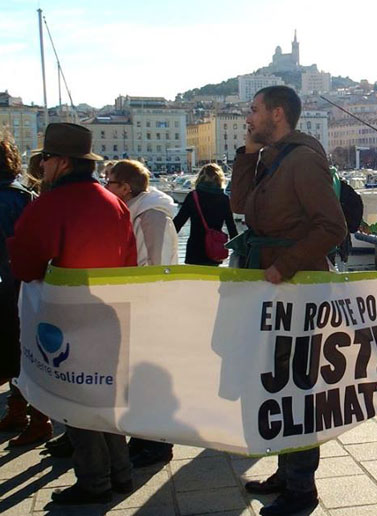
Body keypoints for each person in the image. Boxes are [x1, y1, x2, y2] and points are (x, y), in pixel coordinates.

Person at [230, 86, 346, 516]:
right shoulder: (271, 158)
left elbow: (331, 226)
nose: (248, 117)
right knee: (276, 386)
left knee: (296, 389)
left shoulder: (303, 160)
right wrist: (247, 152)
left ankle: (302, 490)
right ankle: (285, 473)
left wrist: (287, 264)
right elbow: (240, 204)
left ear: (277, 114)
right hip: (275, 293)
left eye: (254, 111)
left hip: (297, 293)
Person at [8, 122, 137, 505]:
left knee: (75, 400)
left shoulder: (49, 204)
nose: (42, 166)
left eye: (45, 159)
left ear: (61, 162)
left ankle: (95, 481)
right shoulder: (115, 203)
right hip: (110, 316)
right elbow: (130, 264)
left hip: (68, 320)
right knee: (106, 399)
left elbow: (26, 266)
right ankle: (122, 474)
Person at [106, 159, 178, 468]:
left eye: (110, 181)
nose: (105, 186)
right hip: (141, 302)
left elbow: (158, 263)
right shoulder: (135, 210)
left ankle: (157, 445)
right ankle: (143, 439)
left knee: (150, 377)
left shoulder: (150, 214)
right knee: (139, 377)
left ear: (125, 187)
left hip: (152, 305)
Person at [0, 139, 39, 445]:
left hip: (7, 283)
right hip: (23, 285)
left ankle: (19, 412)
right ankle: (29, 412)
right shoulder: (27, 197)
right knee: (25, 349)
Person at [173, 163, 237, 265]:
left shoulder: (193, 196)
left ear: (200, 178)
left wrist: (166, 240)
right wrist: (239, 249)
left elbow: (178, 223)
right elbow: (231, 227)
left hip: (194, 251)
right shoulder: (224, 199)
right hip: (214, 250)